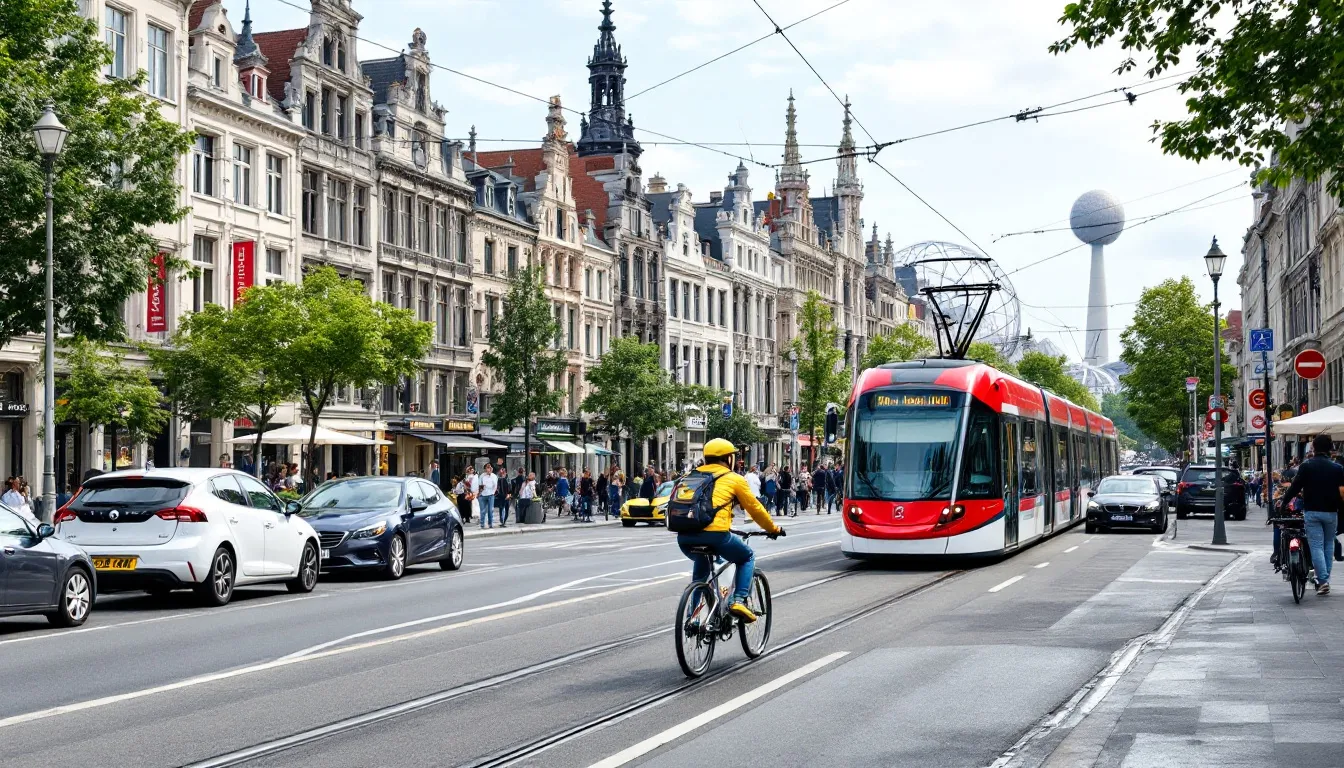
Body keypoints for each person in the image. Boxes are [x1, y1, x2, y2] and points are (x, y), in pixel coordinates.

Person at [676, 438, 784, 623]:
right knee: (746, 556)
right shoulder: (734, 479)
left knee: (701, 571)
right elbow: (755, 508)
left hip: (684, 537)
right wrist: (773, 528)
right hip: (716, 535)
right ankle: (738, 600)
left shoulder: (691, 477)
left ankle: (693, 618)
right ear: (728, 458)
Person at [1281, 434, 1344, 596]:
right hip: (1331, 512)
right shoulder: (1337, 468)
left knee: (1316, 545)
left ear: (1313, 448)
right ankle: (1324, 580)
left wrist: (1283, 502)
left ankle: (1322, 581)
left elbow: (1295, 487)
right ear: (1330, 449)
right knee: (1328, 545)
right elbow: (1342, 491)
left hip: (1312, 511)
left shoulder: (1306, 466)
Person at [478, 463, 499, 529]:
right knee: (483, 510)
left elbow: (495, 485)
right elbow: (479, 485)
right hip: (483, 494)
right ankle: (482, 524)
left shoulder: (494, 476)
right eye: (487, 468)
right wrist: (480, 490)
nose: (489, 469)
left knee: (490, 510)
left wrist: (493, 492)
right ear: (485, 469)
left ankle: (490, 523)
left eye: (490, 468)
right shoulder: (482, 476)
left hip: (490, 494)